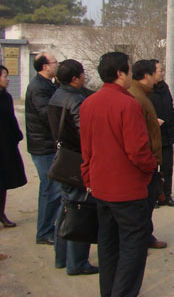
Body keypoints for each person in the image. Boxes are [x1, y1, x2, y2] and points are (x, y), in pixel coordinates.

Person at [80, 52, 157, 297]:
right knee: (133, 244)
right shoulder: (127, 104)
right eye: (129, 70)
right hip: (127, 190)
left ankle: (109, 291)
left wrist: (88, 176)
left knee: (108, 243)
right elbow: (138, 150)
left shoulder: (89, 103)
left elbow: (86, 148)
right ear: (120, 73)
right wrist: (151, 167)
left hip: (100, 186)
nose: (131, 75)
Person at [47, 59, 98, 276]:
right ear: (76, 78)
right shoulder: (76, 100)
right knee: (80, 210)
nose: (85, 77)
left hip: (63, 157)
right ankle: (77, 262)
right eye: (83, 74)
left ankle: (61, 258)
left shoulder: (56, 96)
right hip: (77, 159)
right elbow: (84, 133)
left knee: (66, 208)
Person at [129, 59, 166, 249]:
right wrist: (149, 162)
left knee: (147, 203)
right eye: (155, 73)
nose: (157, 76)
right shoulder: (136, 97)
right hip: (144, 160)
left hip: (149, 158)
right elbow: (137, 135)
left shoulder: (143, 94)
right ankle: (140, 241)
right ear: (146, 76)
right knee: (142, 205)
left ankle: (145, 236)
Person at [25, 52, 60, 245]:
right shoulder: (38, 87)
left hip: (48, 144)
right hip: (43, 146)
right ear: (45, 67)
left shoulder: (49, 84)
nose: (57, 65)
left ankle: (47, 229)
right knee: (50, 189)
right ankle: (44, 232)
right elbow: (47, 115)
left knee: (51, 189)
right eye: (55, 62)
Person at [148, 59, 174, 207]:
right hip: (153, 137)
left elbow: (170, 106)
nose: (162, 73)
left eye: (162, 70)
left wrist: (172, 120)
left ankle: (166, 195)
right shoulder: (147, 91)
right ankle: (153, 196)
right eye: (159, 70)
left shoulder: (165, 88)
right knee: (153, 169)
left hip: (167, 133)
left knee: (167, 168)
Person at [0, 64, 27, 228]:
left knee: (2, 182)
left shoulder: (7, 97)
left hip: (5, 146)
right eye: (5, 76)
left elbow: (11, 119)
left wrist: (17, 135)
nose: (8, 79)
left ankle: (1, 213)